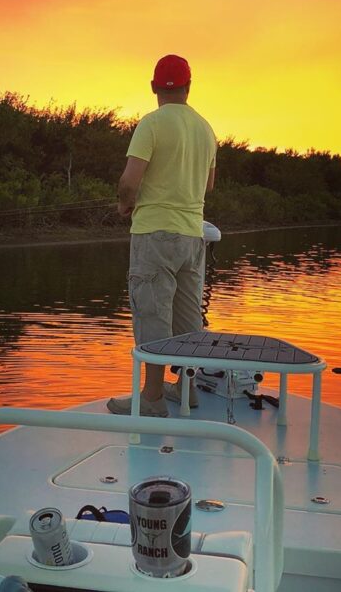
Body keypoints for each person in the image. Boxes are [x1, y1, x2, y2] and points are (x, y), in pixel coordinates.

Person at [107, 54, 217, 417]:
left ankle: (152, 398)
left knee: (153, 315)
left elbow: (129, 181)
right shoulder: (205, 128)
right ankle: (187, 390)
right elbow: (209, 184)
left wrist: (126, 205)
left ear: (154, 87)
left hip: (154, 235)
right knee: (188, 320)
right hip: (192, 238)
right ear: (189, 86)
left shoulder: (151, 124)